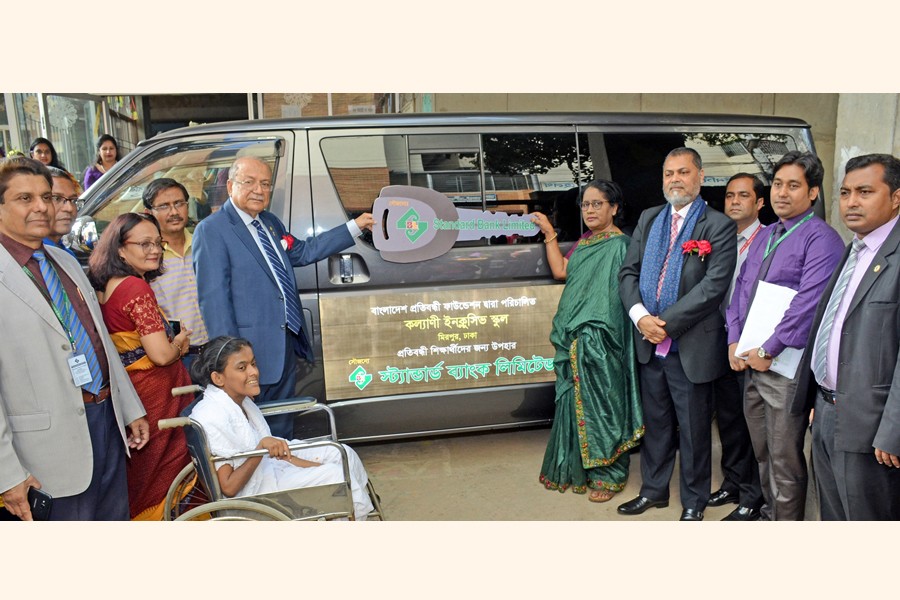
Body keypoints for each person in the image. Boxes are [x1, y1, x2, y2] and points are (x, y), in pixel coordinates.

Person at [0, 157, 148, 521]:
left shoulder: (62, 261)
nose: (41, 207)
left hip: (106, 422)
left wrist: (129, 408)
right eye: (25, 198)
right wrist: (7, 474)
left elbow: (98, 340)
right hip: (43, 452)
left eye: (47, 197)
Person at [193, 156, 374, 438]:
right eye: (249, 182)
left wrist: (355, 226)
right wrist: (232, 361)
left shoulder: (269, 223)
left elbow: (303, 252)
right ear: (230, 186)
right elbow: (214, 301)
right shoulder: (212, 230)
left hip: (284, 345)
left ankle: (282, 464)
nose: (259, 190)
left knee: (282, 424)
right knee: (251, 431)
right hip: (248, 354)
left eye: (265, 184)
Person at [617, 147, 736, 521]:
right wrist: (641, 318)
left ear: (700, 176)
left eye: (683, 172)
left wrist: (663, 324)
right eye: (669, 173)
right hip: (649, 342)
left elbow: (713, 286)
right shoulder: (650, 218)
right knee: (656, 425)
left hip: (690, 345)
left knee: (695, 429)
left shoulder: (718, 225)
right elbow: (628, 273)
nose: (675, 180)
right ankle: (653, 491)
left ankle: (694, 500)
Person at [726, 151, 843, 521]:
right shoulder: (767, 234)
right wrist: (733, 339)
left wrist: (769, 349)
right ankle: (770, 514)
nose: (782, 192)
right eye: (777, 184)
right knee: (762, 452)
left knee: (784, 458)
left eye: (793, 185)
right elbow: (741, 290)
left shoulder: (822, 239)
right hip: (751, 362)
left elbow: (809, 303)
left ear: (812, 193)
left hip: (784, 367)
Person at [797, 153, 900, 520]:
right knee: (834, 516)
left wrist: (893, 431)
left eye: (865, 192)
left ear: (896, 198)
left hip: (872, 426)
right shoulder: (855, 249)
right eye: (845, 192)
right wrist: (818, 396)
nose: (851, 202)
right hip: (826, 410)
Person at [533, 180, 643, 503]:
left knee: (605, 402)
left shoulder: (621, 245)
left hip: (603, 338)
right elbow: (561, 271)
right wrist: (549, 233)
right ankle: (580, 467)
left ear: (614, 208)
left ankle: (610, 475)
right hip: (576, 336)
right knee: (578, 401)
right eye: (585, 205)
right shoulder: (585, 242)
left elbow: (615, 297)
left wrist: (595, 331)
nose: (590, 210)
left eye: (597, 204)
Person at [189, 336, 374, 519]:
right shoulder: (213, 416)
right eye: (242, 368)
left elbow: (274, 456)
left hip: (270, 466)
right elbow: (229, 488)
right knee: (337, 476)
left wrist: (307, 465)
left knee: (343, 453)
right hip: (257, 490)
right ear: (218, 378)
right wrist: (260, 449)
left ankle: (353, 512)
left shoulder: (241, 402)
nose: (254, 372)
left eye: (253, 364)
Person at [87, 212, 194, 520]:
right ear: (120, 249)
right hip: (157, 392)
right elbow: (160, 355)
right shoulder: (136, 288)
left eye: (158, 243)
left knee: (144, 475)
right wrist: (180, 343)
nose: (155, 250)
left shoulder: (106, 286)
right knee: (168, 473)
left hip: (133, 390)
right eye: (144, 244)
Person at [708, 173, 766, 520]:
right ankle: (732, 481)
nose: (734, 201)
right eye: (730, 195)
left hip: (750, 343)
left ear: (759, 203)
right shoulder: (718, 240)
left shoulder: (767, 240)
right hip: (718, 340)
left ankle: (753, 494)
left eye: (743, 195)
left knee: (750, 422)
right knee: (728, 418)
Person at [142, 177, 209, 368]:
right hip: (178, 358)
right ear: (149, 212)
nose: (174, 212)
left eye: (179, 203)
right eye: (164, 206)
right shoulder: (148, 257)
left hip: (217, 350)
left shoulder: (204, 244)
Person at [44, 166, 82, 257]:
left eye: (73, 200)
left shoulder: (67, 256)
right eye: (57, 198)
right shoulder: (26, 256)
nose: (69, 208)